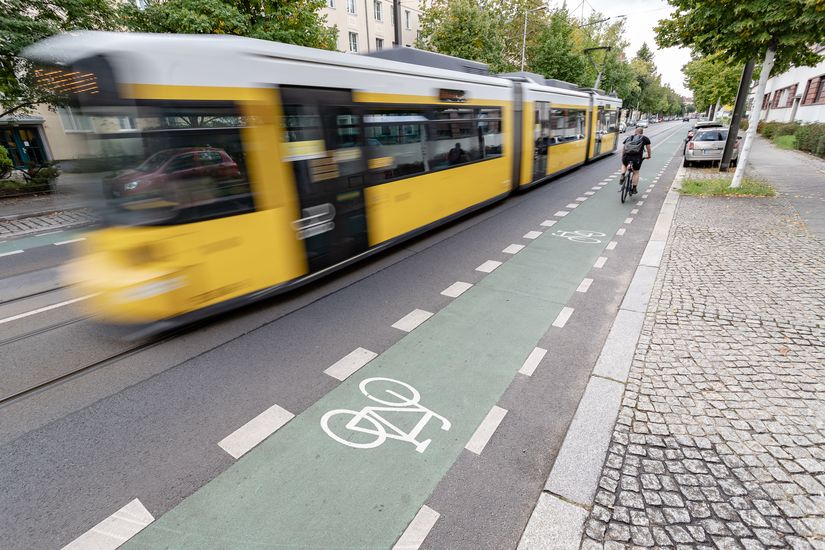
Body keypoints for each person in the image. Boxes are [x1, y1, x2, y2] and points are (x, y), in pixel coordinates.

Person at [620, 127, 651, 194]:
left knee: (624, 164)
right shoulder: (645, 138)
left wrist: (623, 156)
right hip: (636, 159)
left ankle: (622, 174)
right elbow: (648, 149)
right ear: (642, 132)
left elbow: (624, 148)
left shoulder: (629, 138)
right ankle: (634, 188)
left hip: (626, 157)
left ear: (635, 131)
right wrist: (649, 156)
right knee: (636, 172)